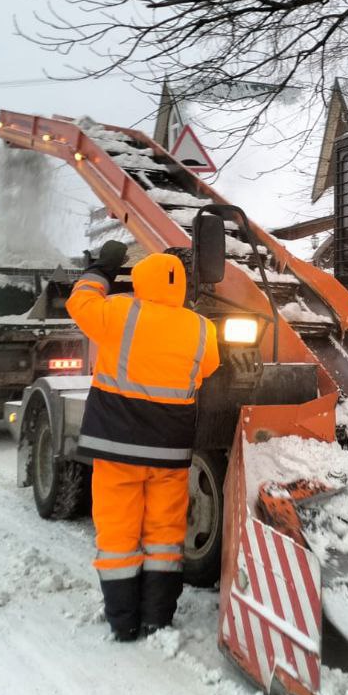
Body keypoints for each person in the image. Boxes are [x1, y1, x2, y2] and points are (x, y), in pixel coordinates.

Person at [66, 241, 220, 642]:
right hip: (170, 452)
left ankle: (123, 621)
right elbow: (207, 370)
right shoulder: (202, 328)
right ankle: (158, 619)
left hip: (117, 449)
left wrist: (103, 266)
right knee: (165, 536)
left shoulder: (119, 312)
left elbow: (79, 303)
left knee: (118, 535)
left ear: (139, 279)